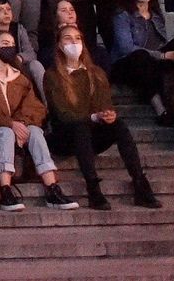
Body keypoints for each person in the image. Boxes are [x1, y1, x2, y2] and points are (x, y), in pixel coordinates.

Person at [0, 26, 78, 211]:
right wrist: (10, 123)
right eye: (5, 44)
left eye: (12, 44)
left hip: (15, 127)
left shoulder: (19, 78)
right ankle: (5, 188)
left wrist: (20, 123)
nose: (10, 48)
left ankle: (52, 187)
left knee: (36, 131)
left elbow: (34, 107)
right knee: (5, 132)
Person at [44, 22, 160, 209]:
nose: (74, 43)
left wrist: (108, 115)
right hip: (65, 135)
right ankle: (93, 189)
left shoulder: (96, 73)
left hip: (92, 132)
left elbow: (105, 104)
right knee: (80, 128)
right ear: (59, 45)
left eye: (77, 38)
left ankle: (140, 183)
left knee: (119, 125)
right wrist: (92, 118)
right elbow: (63, 114)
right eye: (68, 39)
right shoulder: (52, 76)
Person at [108, 0, 174, 125]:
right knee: (142, 57)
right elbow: (126, 48)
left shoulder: (156, 14)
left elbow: (163, 43)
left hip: (153, 61)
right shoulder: (122, 15)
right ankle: (161, 110)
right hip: (127, 63)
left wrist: (164, 55)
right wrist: (162, 56)